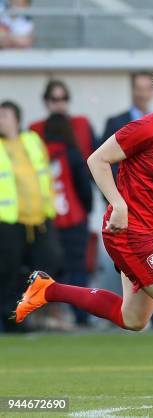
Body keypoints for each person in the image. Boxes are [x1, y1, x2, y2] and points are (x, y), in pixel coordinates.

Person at [13, 65, 153, 406]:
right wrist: (118, 204)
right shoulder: (149, 127)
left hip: (152, 235)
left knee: (133, 319)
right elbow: (97, 160)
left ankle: (47, 289)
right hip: (129, 234)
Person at [0, 101, 60, 332]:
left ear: (16, 119)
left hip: (40, 219)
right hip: (8, 220)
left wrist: (49, 209)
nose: (1, 119)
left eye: (4, 115)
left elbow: (44, 174)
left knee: (49, 262)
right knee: (8, 270)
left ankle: (29, 313)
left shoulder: (32, 141)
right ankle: (10, 319)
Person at [43, 113, 93, 326]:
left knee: (53, 269)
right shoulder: (73, 154)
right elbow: (84, 188)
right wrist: (87, 210)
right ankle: (80, 315)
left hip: (50, 221)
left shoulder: (40, 154)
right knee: (77, 268)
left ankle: (54, 315)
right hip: (74, 220)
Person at [30, 79, 96, 161]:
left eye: (64, 98)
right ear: (46, 101)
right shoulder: (36, 129)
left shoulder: (82, 124)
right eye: (54, 99)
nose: (60, 103)